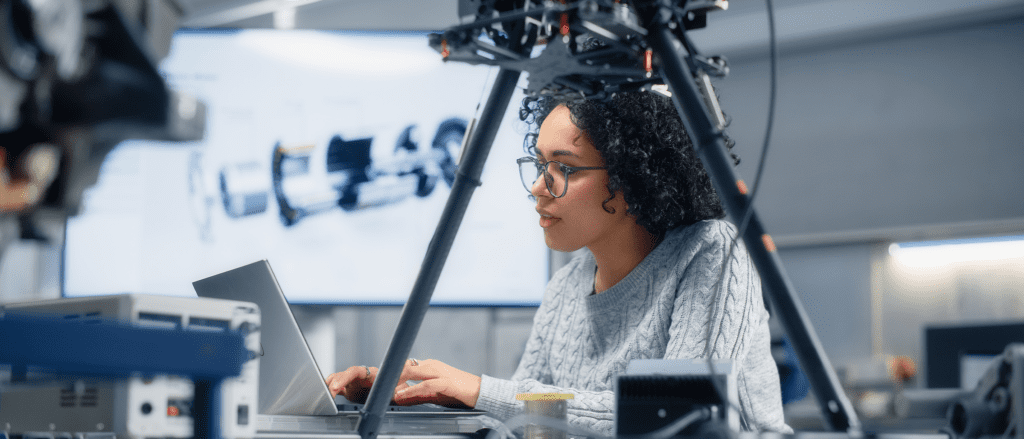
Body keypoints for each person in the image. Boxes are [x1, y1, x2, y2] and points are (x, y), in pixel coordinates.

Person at [325, 90, 791, 435]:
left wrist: (480, 389)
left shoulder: (711, 252)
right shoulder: (566, 287)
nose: (539, 187)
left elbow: (682, 419)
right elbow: (530, 420)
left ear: (635, 179)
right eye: (539, 163)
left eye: (565, 168)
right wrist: (414, 394)